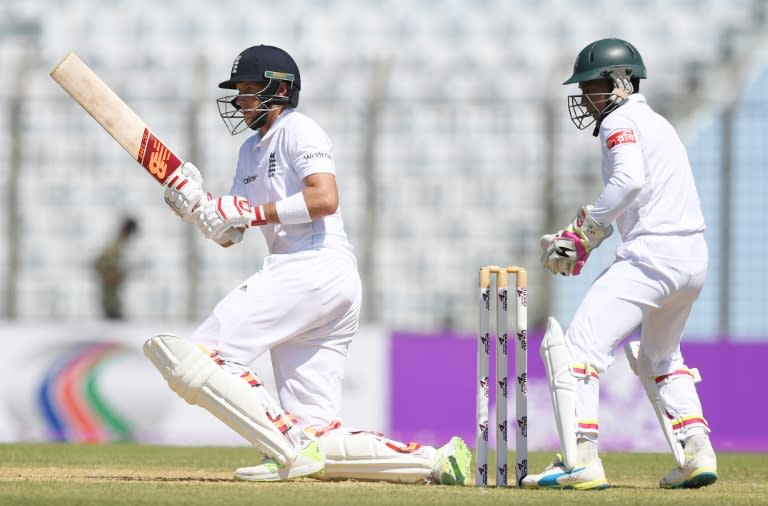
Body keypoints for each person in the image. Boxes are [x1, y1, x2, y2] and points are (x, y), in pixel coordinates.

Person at [144, 44, 470, 484]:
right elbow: (231, 233)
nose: (240, 101)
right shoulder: (249, 151)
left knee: (203, 357)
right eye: (238, 91)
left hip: (312, 266)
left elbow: (324, 198)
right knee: (314, 432)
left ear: (278, 89)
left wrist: (251, 214)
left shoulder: (300, 130)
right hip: (313, 277)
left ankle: (287, 449)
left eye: (248, 91)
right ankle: (435, 462)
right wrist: (199, 208)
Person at [524, 38, 717, 490]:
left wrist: (583, 231)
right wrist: (588, 237)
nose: (585, 98)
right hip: (692, 261)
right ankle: (698, 450)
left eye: (591, 87)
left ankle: (580, 458)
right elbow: (638, 196)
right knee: (661, 358)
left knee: (579, 350)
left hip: (652, 258)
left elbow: (629, 181)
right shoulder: (657, 123)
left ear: (618, 83)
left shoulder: (621, 122)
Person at [92, 216, 139, 319]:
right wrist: (117, 275)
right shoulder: (115, 248)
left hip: (113, 301)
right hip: (111, 302)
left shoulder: (118, 246)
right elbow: (104, 270)